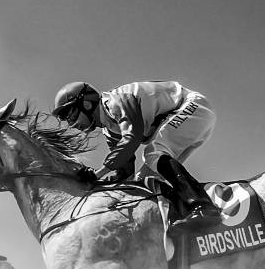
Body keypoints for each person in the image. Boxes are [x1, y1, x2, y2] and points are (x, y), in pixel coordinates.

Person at [52, 80, 223, 232]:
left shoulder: (115, 101)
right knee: (141, 181)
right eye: (68, 120)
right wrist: (97, 183)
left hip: (194, 106)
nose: (72, 124)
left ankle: (203, 207)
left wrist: (97, 173)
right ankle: (180, 213)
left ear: (87, 104)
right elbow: (125, 173)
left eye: (72, 115)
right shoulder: (110, 131)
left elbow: (131, 139)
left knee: (153, 152)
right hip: (191, 119)